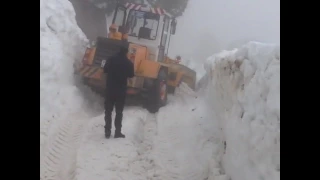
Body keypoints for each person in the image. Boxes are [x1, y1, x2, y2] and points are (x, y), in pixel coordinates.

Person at [103, 45, 134, 138]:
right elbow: (131, 75)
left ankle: (107, 131)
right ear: (126, 52)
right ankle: (117, 132)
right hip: (121, 90)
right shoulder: (128, 63)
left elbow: (105, 70)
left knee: (108, 110)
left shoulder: (111, 59)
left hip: (110, 89)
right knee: (119, 112)